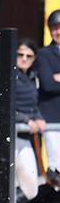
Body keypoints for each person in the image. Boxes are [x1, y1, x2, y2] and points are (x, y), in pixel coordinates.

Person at [0, 39, 46, 201]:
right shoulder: (6, 75)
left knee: (31, 190)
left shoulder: (33, 78)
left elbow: (33, 107)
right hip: (4, 135)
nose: (24, 58)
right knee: (4, 182)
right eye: (20, 54)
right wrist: (26, 120)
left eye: (29, 56)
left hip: (23, 137)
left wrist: (39, 118)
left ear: (34, 58)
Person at [35, 10, 60, 167]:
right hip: (52, 116)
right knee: (57, 164)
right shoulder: (44, 53)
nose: (58, 32)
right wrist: (53, 79)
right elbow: (48, 84)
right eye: (55, 28)